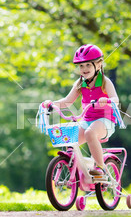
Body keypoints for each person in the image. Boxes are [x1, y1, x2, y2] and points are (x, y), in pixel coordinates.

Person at [42, 44, 120, 180]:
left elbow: (116, 99)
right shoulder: (80, 84)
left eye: (88, 65)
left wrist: (106, 100)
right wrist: (52, 104)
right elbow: (67, 101)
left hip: (105, 120)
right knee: (69, 139)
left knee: (90, 133)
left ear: (99, 64)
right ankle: (78, 173)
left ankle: (100, 168)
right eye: (81, 66)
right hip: (87, 120)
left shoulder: (105, 82)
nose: (84, 69)